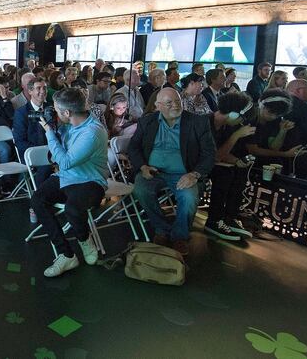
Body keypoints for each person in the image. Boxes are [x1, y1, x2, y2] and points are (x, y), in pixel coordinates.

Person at [30, 88, 108, 277]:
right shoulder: (70, 124)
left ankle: (84, 239)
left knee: (72, 208)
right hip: (66, 177)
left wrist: (49, 131)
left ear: (67, 113)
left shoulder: (92, 132)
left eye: (56, 110)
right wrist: (55, 127)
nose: (54, 112)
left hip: (90, 181)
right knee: (38, 200)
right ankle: (66, 254)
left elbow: (64, 162)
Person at [128, 88, 216, 255]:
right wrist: (142, 167)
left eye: (178, 101)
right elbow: (134, 147)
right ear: (158, 106)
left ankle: (180, 236)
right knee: (140, 190)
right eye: (169, 103)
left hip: (185, 173)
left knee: (189, 197)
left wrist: (194, 174)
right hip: (153, 172)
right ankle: (161, 229)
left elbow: (209, 154)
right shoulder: (147, 121)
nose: (175, 105)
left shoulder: (197, 122)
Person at [204, 92, 256, 241]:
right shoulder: (205, 123)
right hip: (192, 166)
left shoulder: (226, 126)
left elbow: (221, 152)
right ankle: (214, 220)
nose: (241, 123)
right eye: (242, 118)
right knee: (224, 173)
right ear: (233, 115)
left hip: (208, 163)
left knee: (238, 171)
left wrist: (236, 161)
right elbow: (216, 155)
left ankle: (228, 217)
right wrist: (236, 136)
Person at [245, 89, 307, 171]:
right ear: (261, 105)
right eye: (270, 112)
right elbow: (253, 150)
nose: (273, 117)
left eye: (277, 115)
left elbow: (274, 147)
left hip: (263, 160)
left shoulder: (275, 120)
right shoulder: (250, 118)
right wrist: (285, 154)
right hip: (245, 158)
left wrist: (282, 131)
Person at [13, 77, 51, 185]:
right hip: (31, 151)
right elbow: (19, 141)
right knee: (46, 167)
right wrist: (41, 152)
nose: (43, 91)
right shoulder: (21, 113)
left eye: (45, 88)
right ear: (30, 91)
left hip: (52, 150)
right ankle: (40, 196)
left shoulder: (51, 109)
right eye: (38, 88)